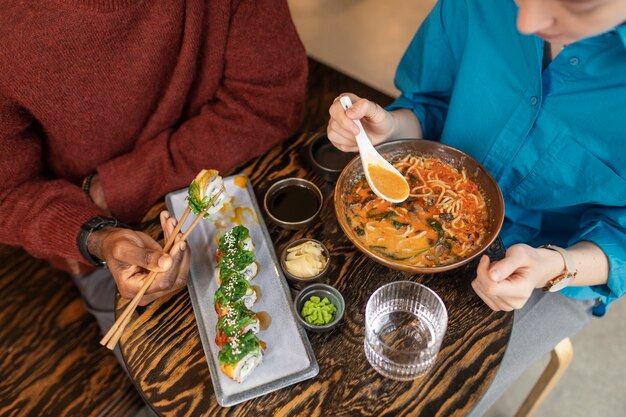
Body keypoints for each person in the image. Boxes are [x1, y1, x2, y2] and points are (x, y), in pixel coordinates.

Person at [327, 0, 625, 414]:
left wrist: (556, 265)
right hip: (425, 200)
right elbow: (431, 102)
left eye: (576, 4)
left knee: (431, 401)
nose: (527, 22)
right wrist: (390, 128)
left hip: (556, 263)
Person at [0, 0, 307, 361]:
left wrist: (112, 190)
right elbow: (9, 192)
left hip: (233, 185)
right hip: (92, 240)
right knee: (164, 372)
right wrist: (98, 236)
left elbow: (269, 101)